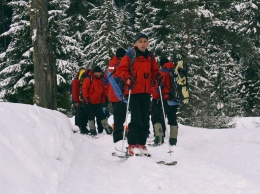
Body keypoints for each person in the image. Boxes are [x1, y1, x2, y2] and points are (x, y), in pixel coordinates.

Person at [116, 33, 161, 156]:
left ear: (148, 43)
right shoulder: (131, 55)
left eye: (145, 41)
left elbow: (155, 70)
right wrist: (128, 77)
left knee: (145, 119)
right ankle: (132, 144)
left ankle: (141, 144)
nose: (143, 44)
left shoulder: (150, 57)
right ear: (135, 43)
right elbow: (121, 70)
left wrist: (157, 76)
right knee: (136, 118)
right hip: (133, 91)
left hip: (146, 91)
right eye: (140, 41)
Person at [151, 57, 179, 146]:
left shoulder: (163, 72)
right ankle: (173, 140)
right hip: (174, 100)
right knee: (172, 120)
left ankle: (159, 139)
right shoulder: (175, 71)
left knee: (157, 118)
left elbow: (157, 88)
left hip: (164, 100)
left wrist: (154, 97)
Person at [82, 66, 113, 136]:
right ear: (94, 72)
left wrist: (103, 100)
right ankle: (92, 130)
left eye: (100, 72)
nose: (99, 74)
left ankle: (107, 129)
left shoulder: (100, 80)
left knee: (102, 116)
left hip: (98, 102)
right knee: (91, 117)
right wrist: (86, 98)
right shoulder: (88, 79)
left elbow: (102, 91)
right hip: (89, 102)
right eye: (97, 72)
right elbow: (84, 89)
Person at [106, 48, 127, 143]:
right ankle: (118, 137)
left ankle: (118, 134)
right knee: (120, 116)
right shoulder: (120, 64)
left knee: (117, 115)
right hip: (120, 94)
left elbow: (106, 80)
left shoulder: (111, 64)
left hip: (113, 94)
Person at [71, 67, 89, 134]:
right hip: (79, 99)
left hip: (79, 99)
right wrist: (76, 100)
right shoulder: (76, 81)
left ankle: (81, 127)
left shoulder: (76, 80)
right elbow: (74, 91)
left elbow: (73, 91)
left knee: (81, 114)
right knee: (80, 114)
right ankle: (80, 127)